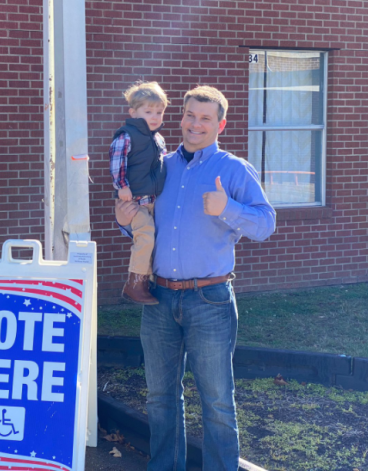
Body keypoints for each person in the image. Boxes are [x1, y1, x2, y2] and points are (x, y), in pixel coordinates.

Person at [116, 86, 275, 470]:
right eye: (190, 115)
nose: (195, 124)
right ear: (181, 117)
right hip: (158, 297)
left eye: (205, 118)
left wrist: (228, 207)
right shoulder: (161, 165)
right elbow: (143, 222)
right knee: (160, 397)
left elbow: (266, 224)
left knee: (217, 400)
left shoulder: (233, 169)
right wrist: (125, 221)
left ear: (220, 124)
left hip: (211, 299)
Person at [109, 81, 168, 305]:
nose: (154, 117)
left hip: (152, 200)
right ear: (133, 112)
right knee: (144, 237)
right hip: (134, 201)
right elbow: (117, 161)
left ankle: (149, 280)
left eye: (159, 112)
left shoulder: (158, 139)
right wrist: (121, 185)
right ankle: (134, 283)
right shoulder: (127, 136)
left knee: (154, 239)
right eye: (148, 111)